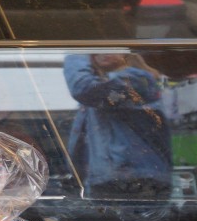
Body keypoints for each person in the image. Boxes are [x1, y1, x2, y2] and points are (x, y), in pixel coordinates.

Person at [62, 52, 172, 199]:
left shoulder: (137, 79)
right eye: (93, 51)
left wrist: (77, 52)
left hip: (136, 180)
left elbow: (84, 88)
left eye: (108, 47)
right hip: (109, 180)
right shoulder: (98, 97)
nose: (99, 53)